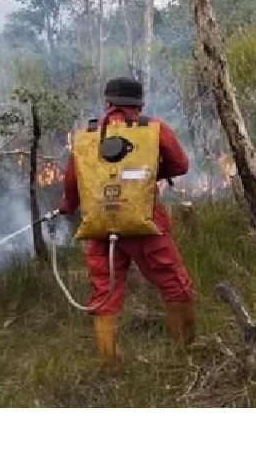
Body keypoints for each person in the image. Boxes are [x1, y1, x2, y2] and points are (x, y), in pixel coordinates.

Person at [58, 77, 195, 370]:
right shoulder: (154, 128)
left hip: (99, 225)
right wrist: (149, 175)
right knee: (175, 285)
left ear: (108, 103)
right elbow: (181, 165)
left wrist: (67, 207)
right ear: (139, 103)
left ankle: (109, 362)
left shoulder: (87, 134)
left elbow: (73, 179)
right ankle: (185, 355)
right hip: (144, 223)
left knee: (103, 291)